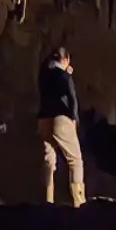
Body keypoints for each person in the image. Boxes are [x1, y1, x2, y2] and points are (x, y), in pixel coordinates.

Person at [37, 47, 86, 207]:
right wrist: (74, 118)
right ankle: (78, 201)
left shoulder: (44, 75)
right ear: (65, 60)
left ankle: (47, 198)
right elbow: (72, 98)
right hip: (61, 117)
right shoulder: (64, 76)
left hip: (44, 118)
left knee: (49, 160)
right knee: (75, 160)